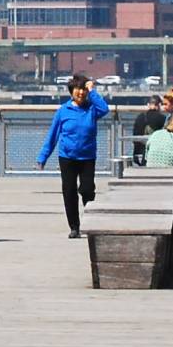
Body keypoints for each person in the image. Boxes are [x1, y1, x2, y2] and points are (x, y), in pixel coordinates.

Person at [37, 73, 107, 239]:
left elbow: (105, 109)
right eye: (78, 90)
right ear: (71, 91)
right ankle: (74, 226)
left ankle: (91, 222)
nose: (81, 93)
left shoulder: (92, 109)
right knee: (69, 192)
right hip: (67, 157)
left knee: (87, 190)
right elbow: (53, 136)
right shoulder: (63, 111)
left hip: (87, 157)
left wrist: (92, 91)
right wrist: (43, 157)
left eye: (83, 90)